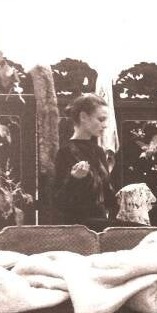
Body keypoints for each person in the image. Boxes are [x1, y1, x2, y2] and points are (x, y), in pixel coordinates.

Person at [53, 94, 140, 231]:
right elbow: (58, 203)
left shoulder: (99, 151)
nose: (105, 125)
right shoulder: (65, 152)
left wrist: (130, 196)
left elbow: (108, 198)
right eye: (101, 119)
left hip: (101, 223)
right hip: (78, 227)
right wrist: (74, 179)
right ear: (83, 117)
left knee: (143, 230)